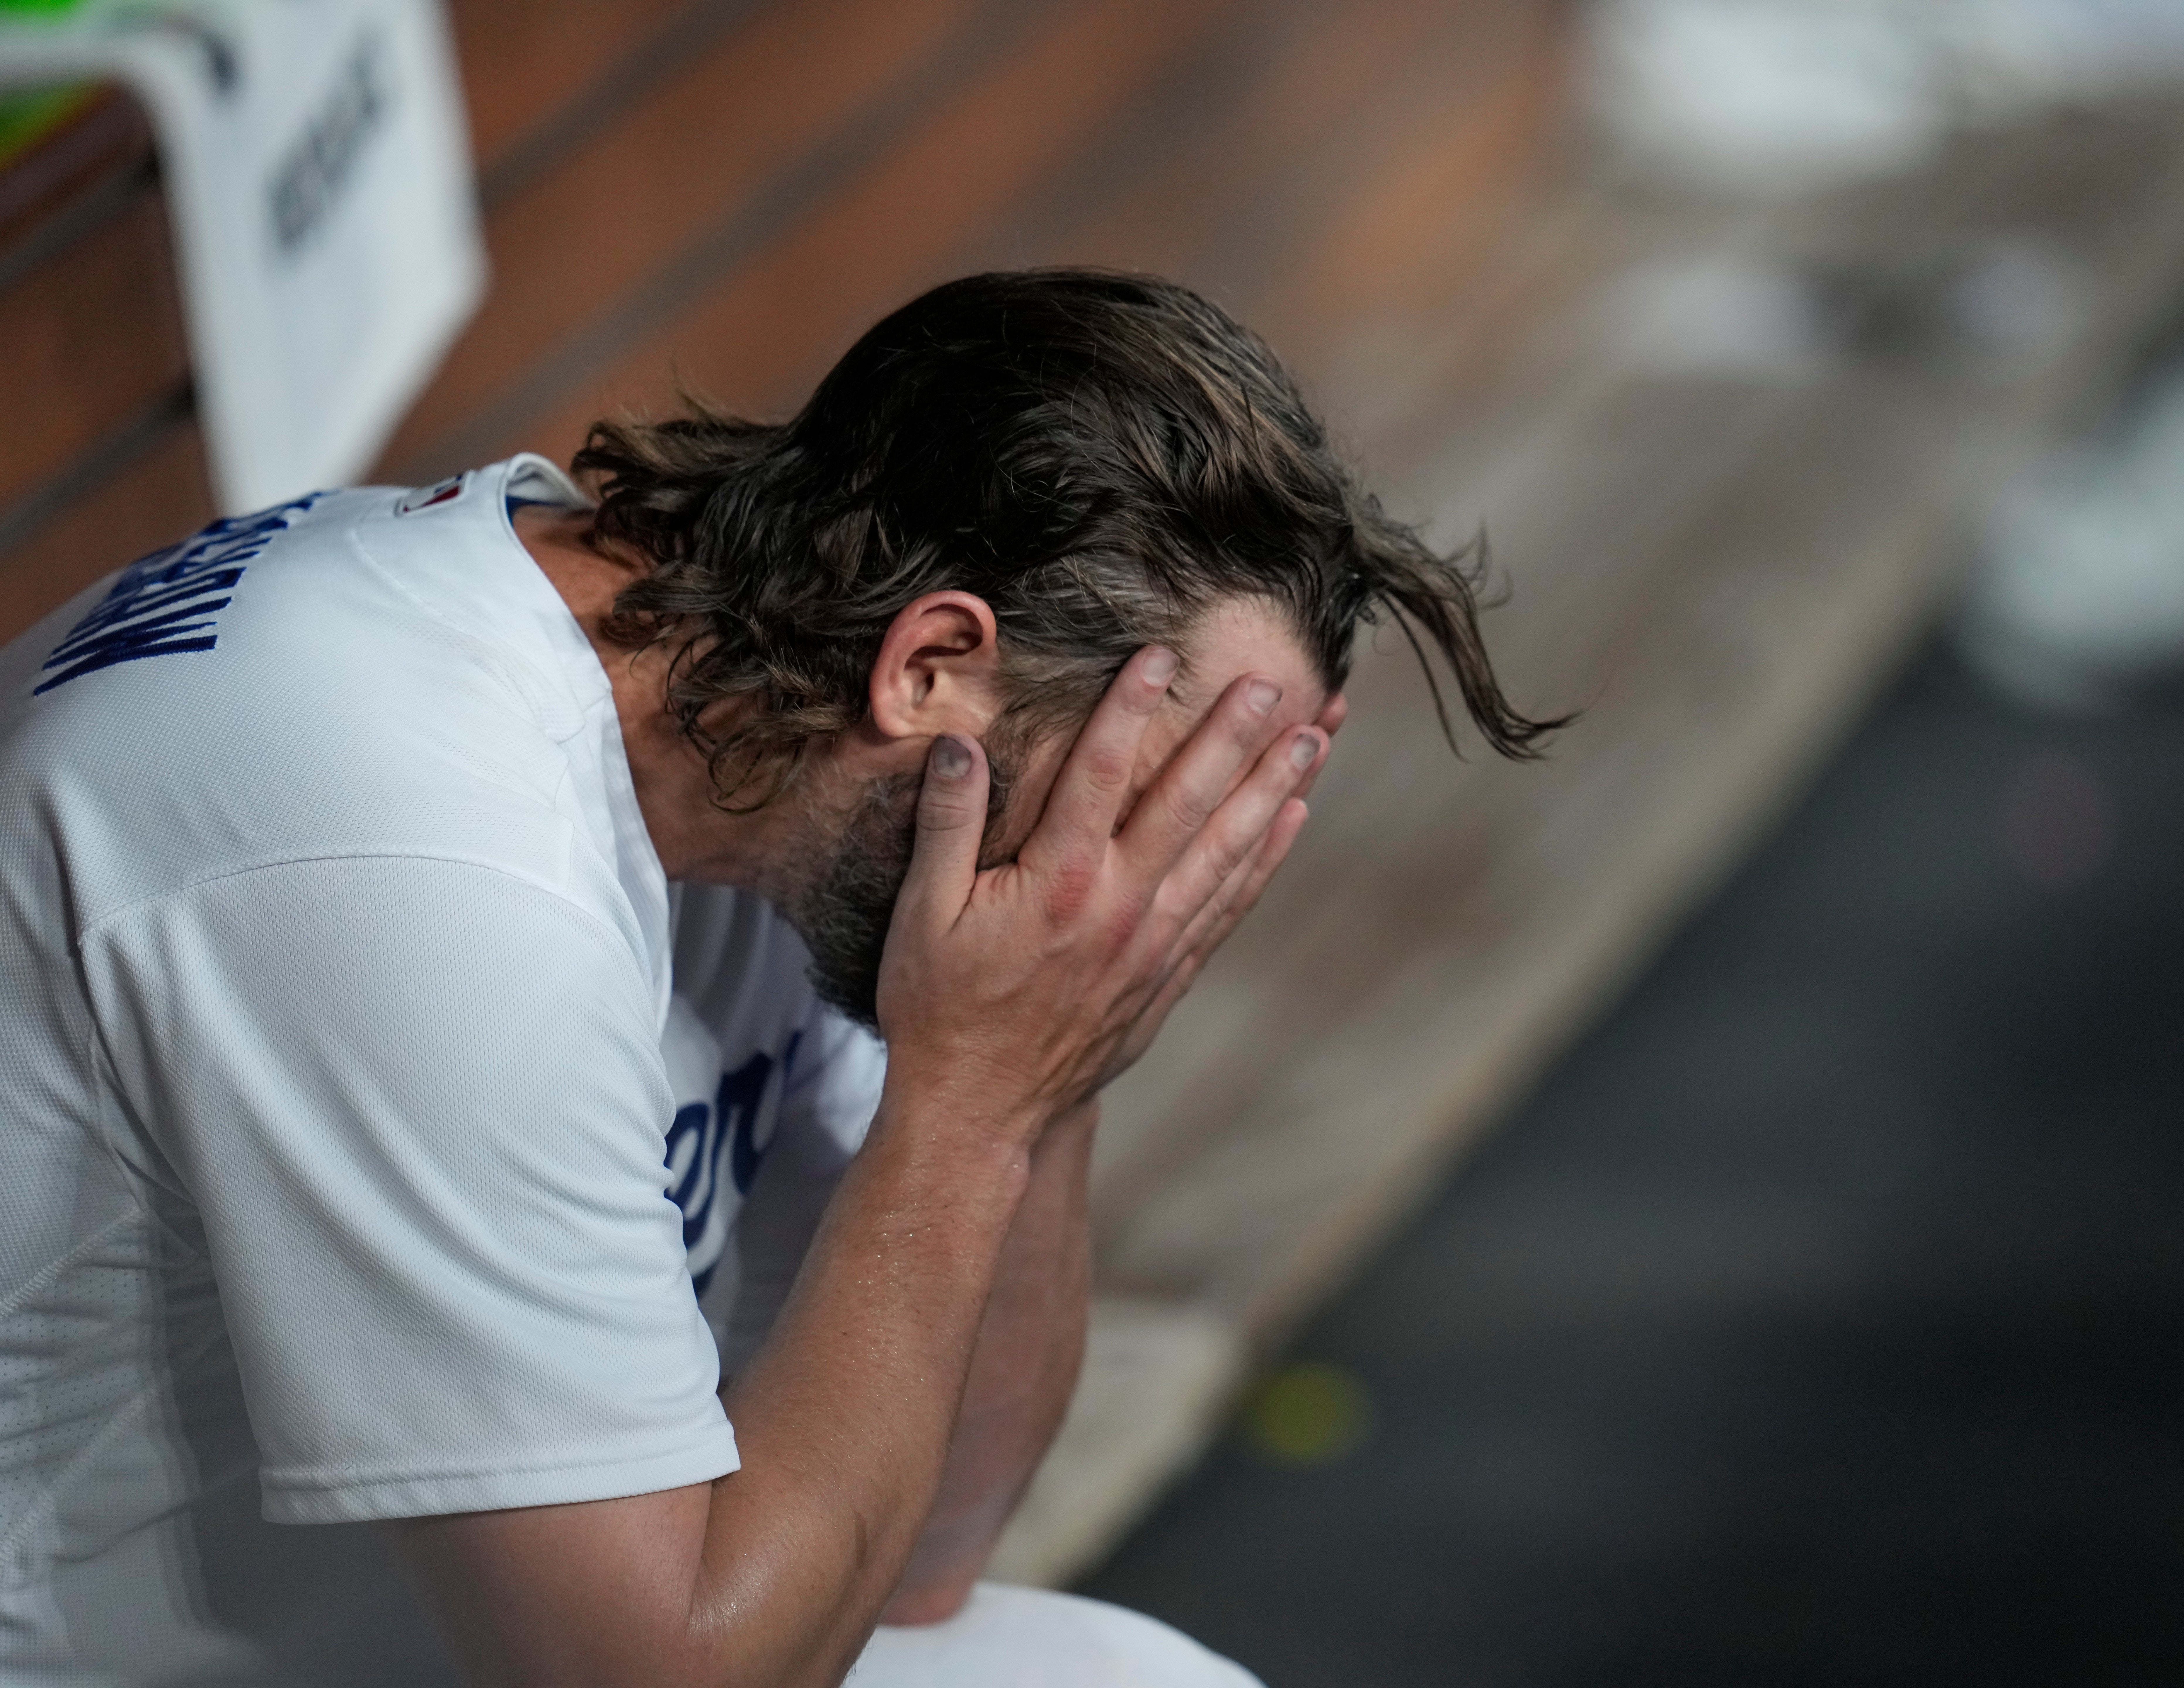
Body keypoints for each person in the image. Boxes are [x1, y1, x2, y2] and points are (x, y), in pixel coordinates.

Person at [0, 270, 1557, 1687]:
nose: (1122, 883)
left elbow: (924, 1553)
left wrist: (1051, 1068)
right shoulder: (414, 840)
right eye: (1132, 800)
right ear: (930, 667)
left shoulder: (773, 755)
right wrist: (974, 1108)